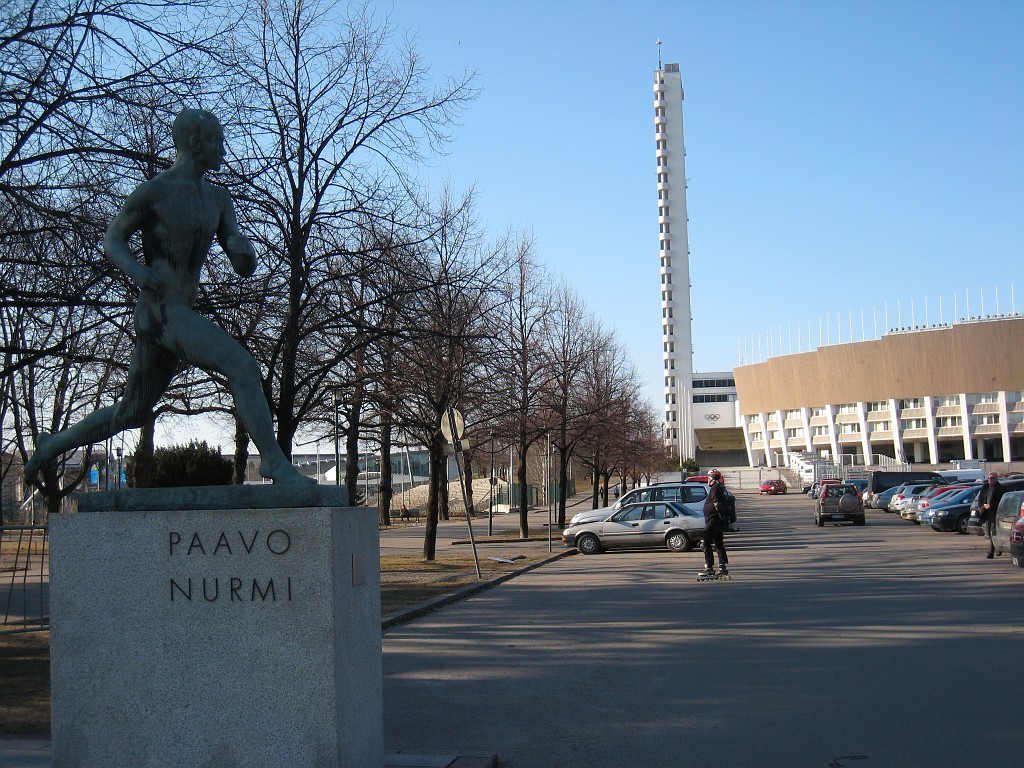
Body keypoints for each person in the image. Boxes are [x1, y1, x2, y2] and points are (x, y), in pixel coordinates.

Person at [25, 109, 313, 487]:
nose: (223, 149)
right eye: (217, 141)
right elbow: (114, 239)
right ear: (197, 143)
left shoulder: (218, 199)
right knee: (242, 365)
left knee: (129, 413)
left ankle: (50, 446)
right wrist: (138, 271)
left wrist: (244, 253)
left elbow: (237, 254)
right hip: (160, 311)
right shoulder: (155, 191)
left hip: (177, 312)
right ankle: (274, 462)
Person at [699, 469, 730, 578]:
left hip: (713, 520)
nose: (707, 479)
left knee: (705, 541)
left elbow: (717, 503)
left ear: (711, 479)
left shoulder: (715, 488)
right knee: (718, 543)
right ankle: (722, 567)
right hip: (718, 521)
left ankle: (709, 567)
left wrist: (720, 515)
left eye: (708, 478)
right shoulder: (722, 488)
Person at [978, 472, 1005, 559]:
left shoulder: (1000, 488)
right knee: (988, 532)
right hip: (986, 513)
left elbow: (1001, 501)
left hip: (995, 513)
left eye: (992, 478)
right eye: (989, 478)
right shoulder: (985, 487)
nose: (990, 480)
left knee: (993, 532)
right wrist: (980, 506)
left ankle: (990, 553)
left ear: (996, 479)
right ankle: (998, 547)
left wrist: (991, 505)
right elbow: (980, 498)